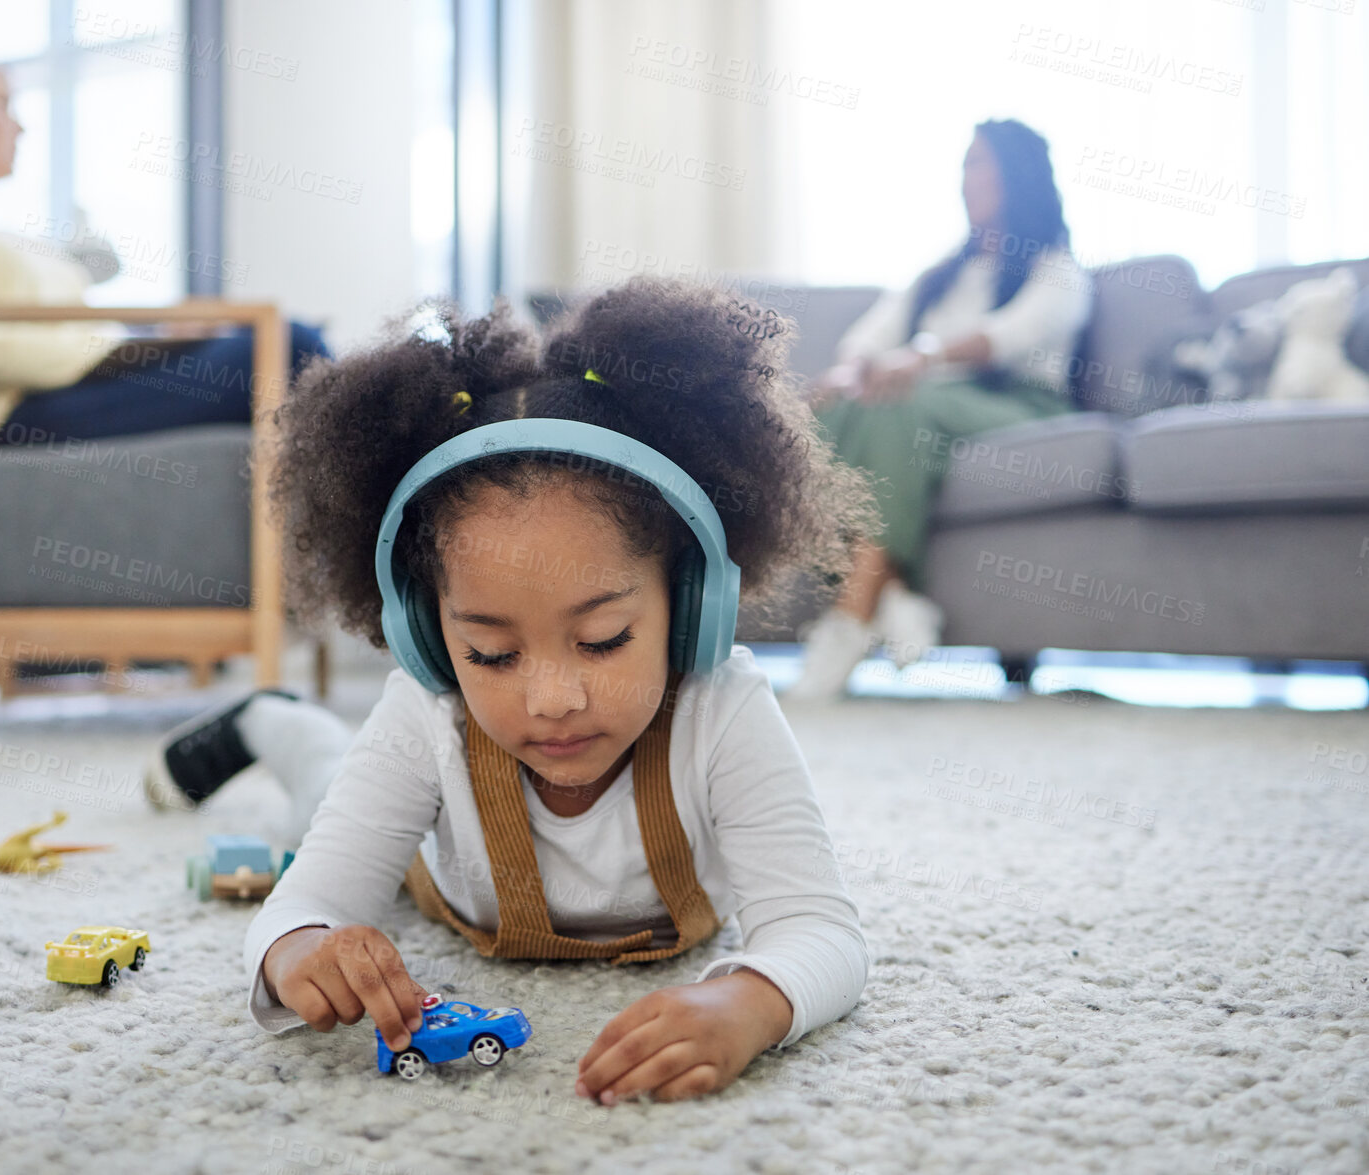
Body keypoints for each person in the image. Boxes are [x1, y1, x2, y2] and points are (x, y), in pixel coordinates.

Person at [143, 277, 877, 1105]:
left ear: (692, 603)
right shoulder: (427, 716)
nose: (553, 698)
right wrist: (301, 948)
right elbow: (301, 905)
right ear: (428, 633)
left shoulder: (725, 709)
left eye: (602, 640)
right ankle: (271, 718)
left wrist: (746, 1002)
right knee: (320, 788)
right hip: (432, 873)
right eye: (491, 652)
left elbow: (820, 929)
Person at [0, 51, 330, 447]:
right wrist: (135, 349)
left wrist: (152, 338)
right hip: (24, 414)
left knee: (287, 345)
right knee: (291, 349)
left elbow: (42, 331)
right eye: (2, 104)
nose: (19, 127)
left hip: (64, 390)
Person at [791, 118, 1094, 701]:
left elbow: (1008, 334)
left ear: (1017, 177)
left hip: (1019, 407)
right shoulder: (941, 275)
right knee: (830, 418)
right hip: (926, 403)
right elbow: (869, 336)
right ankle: (897, 595)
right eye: (964, 165)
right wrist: (847, 373)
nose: (966, 179)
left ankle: (850, 622)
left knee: (899, 404)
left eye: (979, 164)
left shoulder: (1056, 268)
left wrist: (921, 357)